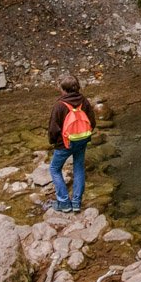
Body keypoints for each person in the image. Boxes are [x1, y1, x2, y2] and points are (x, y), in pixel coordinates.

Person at [46, 73, 96, 212]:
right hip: (82, 140)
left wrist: (54, 143)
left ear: (64, 89)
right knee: (78, 167)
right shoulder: (84, 101)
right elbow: (92, 122)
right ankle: (76, 203)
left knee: (55, 169)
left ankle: (64, 202)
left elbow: (53, 129)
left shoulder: (60, 105)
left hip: (65, 143)